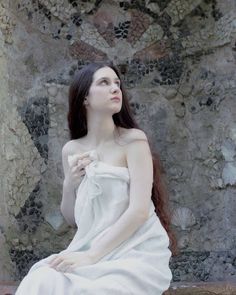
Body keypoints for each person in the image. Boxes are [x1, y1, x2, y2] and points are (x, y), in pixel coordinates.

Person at [15, 61, 177, 295]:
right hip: (88, 245)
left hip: (135, 249)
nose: (115, 89)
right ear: (85, 98)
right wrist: (69, 184)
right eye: (104, 82)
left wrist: (92, 255)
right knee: (40, 279)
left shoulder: (133, 140)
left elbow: (139, 210)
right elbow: (73, 220)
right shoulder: (71, 150)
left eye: (117, 83)